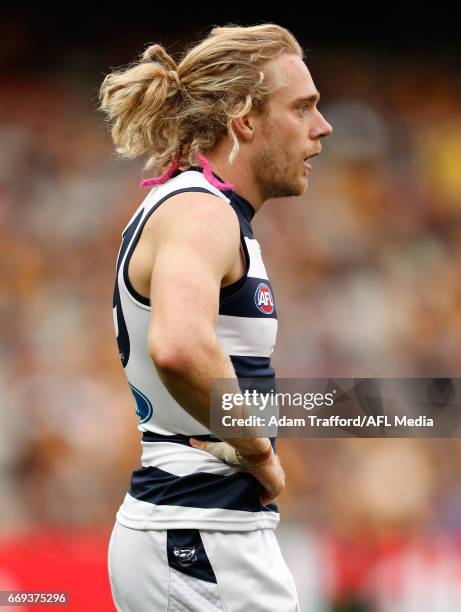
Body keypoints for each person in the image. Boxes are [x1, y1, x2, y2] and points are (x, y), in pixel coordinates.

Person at [99, 22, 332, 611]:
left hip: (195, 530)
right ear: (244, 118)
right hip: (200, 534)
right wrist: (257, 452)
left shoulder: (197, 206)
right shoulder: (202, 211)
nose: (321, 126)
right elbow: (178, 345)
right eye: (302, 107)